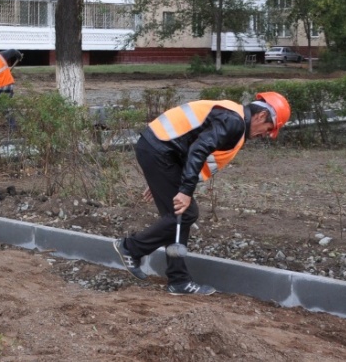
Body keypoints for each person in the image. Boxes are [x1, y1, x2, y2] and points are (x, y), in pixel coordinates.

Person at [112, 92, 291, 295]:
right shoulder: (234, 122)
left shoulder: (233, 116)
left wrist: (161, 179)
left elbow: (188, 143)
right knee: (186, 213)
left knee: (179, 215)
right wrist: (185, 190)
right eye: (268, 129)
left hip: (159, 150)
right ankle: (131, 248)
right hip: (160, 151)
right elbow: (198, 150)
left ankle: (178, 281)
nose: (265, 134)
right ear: (260, 117)